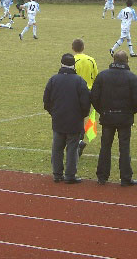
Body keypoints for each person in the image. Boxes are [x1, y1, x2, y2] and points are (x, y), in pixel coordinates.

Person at [91, 50, 137, 186]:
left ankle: (102, 176)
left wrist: (102, 111)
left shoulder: (102, 76)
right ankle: (125, 178)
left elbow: (94, 97)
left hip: (107, 116)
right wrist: (130, 112)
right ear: (127, 61)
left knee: (105, 146)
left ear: (114, 60)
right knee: (124, 148)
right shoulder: (132, 77)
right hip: (124, 118)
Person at [43, 53, 91, 184]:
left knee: (57, 148)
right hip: (75, 120)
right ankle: (70, 175)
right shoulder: (79, 81)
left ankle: (57, 174)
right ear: (74, 65)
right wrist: (81, 115)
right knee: (72, 148)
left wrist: (54, 113)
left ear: (61, 64)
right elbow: (85, 102)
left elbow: (46, 101)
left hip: (58, 119)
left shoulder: (53, 80)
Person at [72, 38, 99, 157]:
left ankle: (78, 141)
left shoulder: (72, 60)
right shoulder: (91, 60)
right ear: (83, 47)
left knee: (74, 117)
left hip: (75, 91)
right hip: (89, 92)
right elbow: (96, 77)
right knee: (83, 116)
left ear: (72, 48)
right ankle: (80, 140)